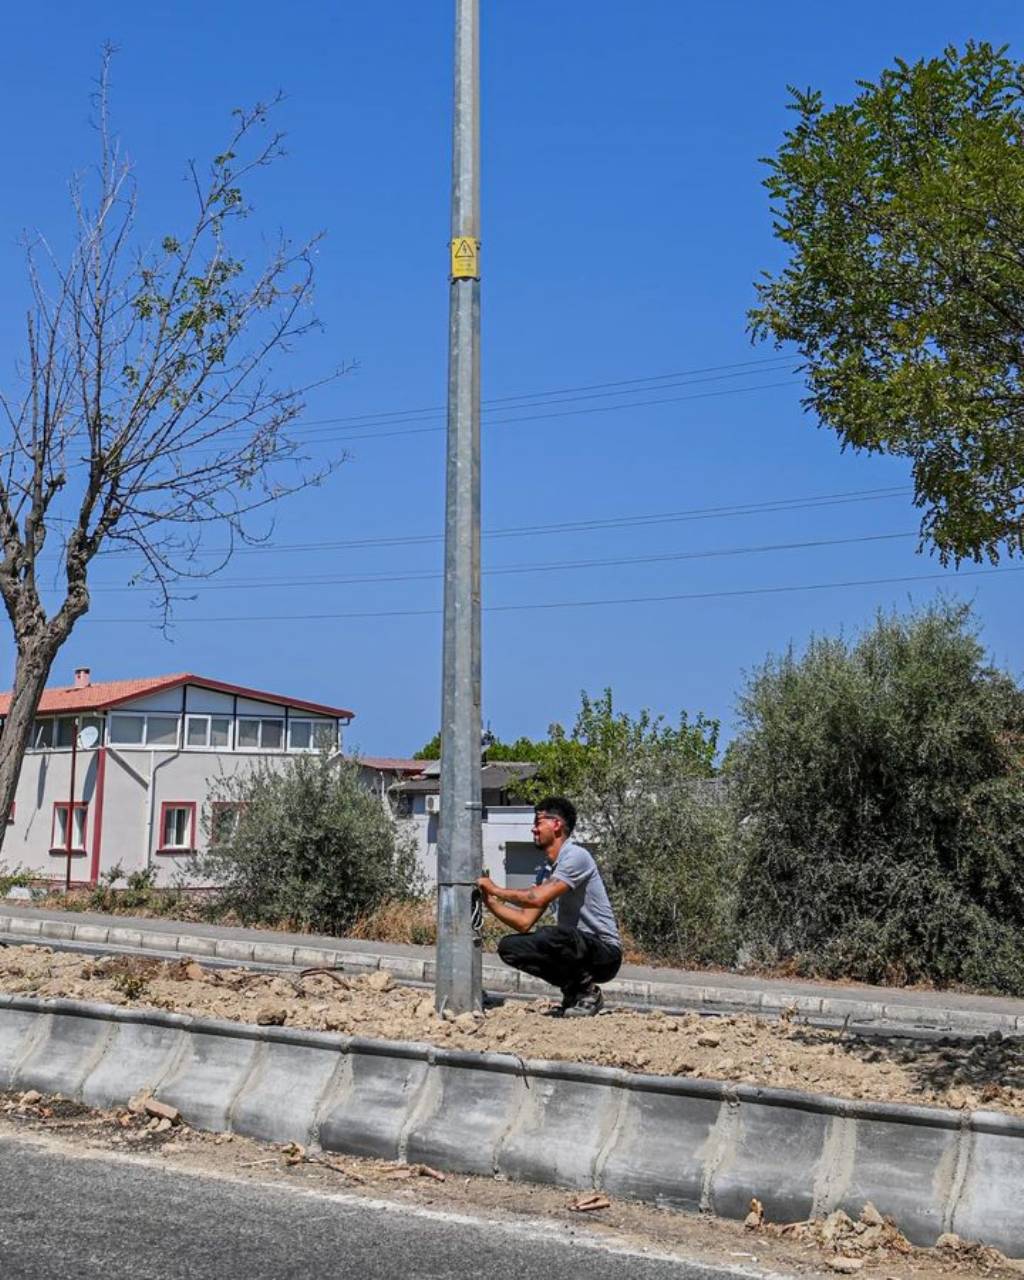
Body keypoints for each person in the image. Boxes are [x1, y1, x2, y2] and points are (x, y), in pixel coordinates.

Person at [477, 796, 622, 1017]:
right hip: (575, 947)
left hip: (604, 953)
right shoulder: (546, 870)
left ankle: (588, 992)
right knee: (511, 947)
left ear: (556, 824)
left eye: (538, 822)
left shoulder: (576, 856)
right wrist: (490, 901)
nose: (533, 830)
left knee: (553, 935)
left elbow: (535, 898)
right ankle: (573, 991)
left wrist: (497, 889)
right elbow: (524, 922)